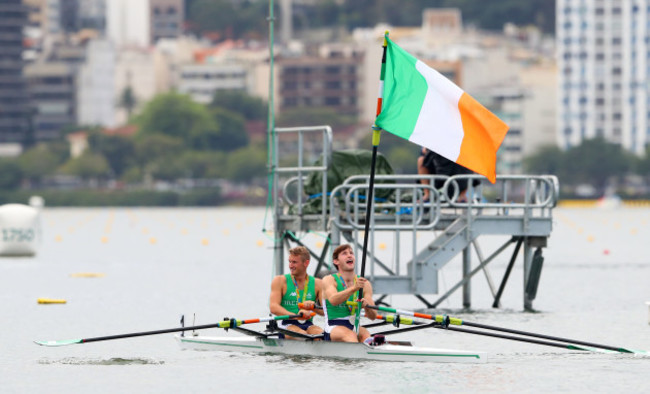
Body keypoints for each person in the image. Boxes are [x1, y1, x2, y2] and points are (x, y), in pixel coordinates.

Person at [322, 244, 377, 342]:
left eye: (351, 253)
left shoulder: (365, 283)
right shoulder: (329, 280)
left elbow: (373, 316)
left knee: (366, 335)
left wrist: (367, 306)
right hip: (333, 326)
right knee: (350, 335)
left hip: (354, 325)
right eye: (344, 254)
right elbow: (333, 300)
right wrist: (355, 288)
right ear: (336, 261)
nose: (349, 255)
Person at [269, 246, 324, 338]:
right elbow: (273, 307)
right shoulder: (279, 281)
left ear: (306, 263)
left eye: (294, 262)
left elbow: (325, 311)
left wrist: (313, 307)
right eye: (290, 262)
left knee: (321, 335)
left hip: (308, 324)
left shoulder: (318, 283)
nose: (290, 266)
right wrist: (296, 316)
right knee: (302, 335)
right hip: (287, 325)